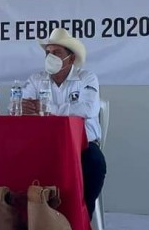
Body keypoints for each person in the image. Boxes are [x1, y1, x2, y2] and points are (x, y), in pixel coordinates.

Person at [21, 28, 106, 218]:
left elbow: (89, 110)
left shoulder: (86, 78)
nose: (51, 57)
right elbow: (23, 109)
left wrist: (46, 108)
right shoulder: (36, 80)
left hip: (82, 146)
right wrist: (41, 109)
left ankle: (81, 219)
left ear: (71, 58)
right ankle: (32, 222)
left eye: (57, 53)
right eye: (48, 53)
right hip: (42, 146)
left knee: (95, 163)